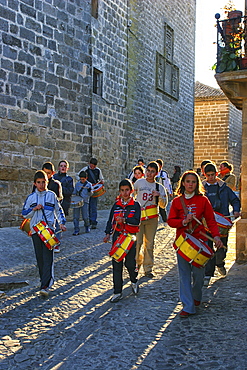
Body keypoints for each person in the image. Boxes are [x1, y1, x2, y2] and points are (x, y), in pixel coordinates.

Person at [167, 170, 223, 318]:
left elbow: (211, 220)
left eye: (193, 182)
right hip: (183, 242)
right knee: (184, 275)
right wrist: (183, 221)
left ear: (197, 184)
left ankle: (196, 297)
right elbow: (171, 221)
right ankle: (188, 306)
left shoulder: (203, 200)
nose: (190, 184)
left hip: (200, 240)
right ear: (183, 183)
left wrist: (216, 237)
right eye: (188, 181)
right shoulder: (177, 202)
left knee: (198, 276)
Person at [22, 170, 66, 297]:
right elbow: (24, 213)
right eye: (39, 182)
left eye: (44, 182)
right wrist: (33, 209)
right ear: (35, 183)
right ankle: (43, 281)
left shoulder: (52, 195)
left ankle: (46, 285)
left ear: (47, 182)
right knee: (40, 258)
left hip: (48, 231)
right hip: (36, 232)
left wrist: (62, 223)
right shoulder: (31, 198)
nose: (41, 185)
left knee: (48, 258)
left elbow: (58, 210)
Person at [103, 179, 141, 303]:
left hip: (130, 238)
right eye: (122, 190)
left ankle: (134, 280)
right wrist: (107, 233)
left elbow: (137, 221)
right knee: (116, 264)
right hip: (118, 237)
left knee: (130, 263)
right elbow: (110, 220)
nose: (125, 193)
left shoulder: (136, 206)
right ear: (119, 192)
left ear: (131, 191)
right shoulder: (116, 205)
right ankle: (117, 291)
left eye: (127, 190)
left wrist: (124, 220)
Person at [202, 163, 240, 280]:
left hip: (222, 220)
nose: (211, 178)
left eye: (213, 175)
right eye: (208, 175)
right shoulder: (202, 188)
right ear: (205, 175)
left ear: (216, 174)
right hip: (206, 222)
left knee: (222, 247)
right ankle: (208, 273)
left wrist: (236, 210)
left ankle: (220, 263)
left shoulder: (224, 187)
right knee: (208, 248)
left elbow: (235, 200)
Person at [134, 161, 167, 278]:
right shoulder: (139, 182)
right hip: (139, 218)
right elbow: (132, 196)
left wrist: (159, 196)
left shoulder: (159, 187)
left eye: (152, 172)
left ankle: (148, 268)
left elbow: (163, 205)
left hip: (152, 219)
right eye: (148, 171)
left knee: (149, 244)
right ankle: (137, 265)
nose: (149, 173)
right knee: (137, 243)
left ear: (156, 173)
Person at [77, 158, 104, 229]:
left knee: (93, 206)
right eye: (92, 165)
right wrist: (83, 182)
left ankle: (93, 221)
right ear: (89, 164)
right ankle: (88, 221)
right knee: (87, 206)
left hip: (94, 189)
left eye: (94, 166)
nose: (93, 167)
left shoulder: (98, 170)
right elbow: (78, 176)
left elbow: (101, 179)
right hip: (86, 190)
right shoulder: (85, 169)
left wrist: (102, 181)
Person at [72, 171, 93, 235]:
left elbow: (91, 194)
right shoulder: (77, 184)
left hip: (85, 202)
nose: (82, 180)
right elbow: (74, 192)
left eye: (83, 179)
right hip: (77, 201)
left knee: (85, 216)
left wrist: (90, 191)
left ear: (86, 178)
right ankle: (76, 229)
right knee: (76, 217)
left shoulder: (89, 185)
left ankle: (87, 226)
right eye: (81, 179)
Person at [156, 159, 172, 223]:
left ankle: (165, 220)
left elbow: (167, 183)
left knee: (162, 206)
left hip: (162, 192)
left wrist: (169, 191)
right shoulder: (153, 173)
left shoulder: (164, 173)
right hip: (154, 191)